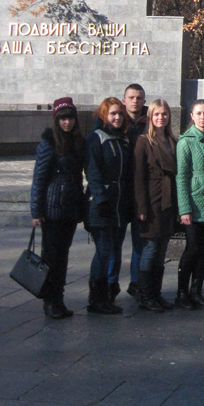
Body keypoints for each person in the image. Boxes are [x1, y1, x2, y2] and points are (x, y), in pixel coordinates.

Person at [30, 97, 85, 319]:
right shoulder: (48, 144)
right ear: (56, 119)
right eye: (62, 118)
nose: (67, 122)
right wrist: (37, 211)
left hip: (69, 209)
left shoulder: (77, 142)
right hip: (52, 210)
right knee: (51, 257)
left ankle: (59, 299)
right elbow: (39, 180)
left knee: (63, 256)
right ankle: (50, 301)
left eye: (70, 118)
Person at [96, 83, 147, 303]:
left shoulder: (149, 122)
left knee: (140, 241)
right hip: (118, 193)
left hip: (139, 192)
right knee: (113, 244)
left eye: (139, 97)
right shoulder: (110, 127)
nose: (135, 101)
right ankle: (109, 284)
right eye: (131, 97)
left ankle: (136, 283)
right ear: (124, 100)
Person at [85, 97, 135, 315]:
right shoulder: (97, 138)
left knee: (113, 250)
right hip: (102, 204)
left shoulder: (123, 140)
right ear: (104, 115)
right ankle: (96, 298)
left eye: (120, 114)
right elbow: (92, 171)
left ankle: (106, 294)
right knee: (103, 250)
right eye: (113, 113)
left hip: (120, 204)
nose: (117, 117)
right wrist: (101, 198)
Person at [134, 99, 178, 312]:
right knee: (150, 248)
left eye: (164, 114)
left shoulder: (172, 140)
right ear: (151, 117)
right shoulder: (144, 141)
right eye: (157, 114)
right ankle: (144, 295)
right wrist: (141, 207)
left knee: (162, 250)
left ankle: (156, 293)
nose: (161, 118)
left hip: (168, 201)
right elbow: (138, 177)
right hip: (152, 201)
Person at [175, 100, 204, 310]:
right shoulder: (186, 141)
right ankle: (181, 292)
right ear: (192, 116)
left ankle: (196, 292)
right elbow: (181, 177)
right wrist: (184, 208)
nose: (203, 117)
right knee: (192, 248)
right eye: (199, 113)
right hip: (193, 201)